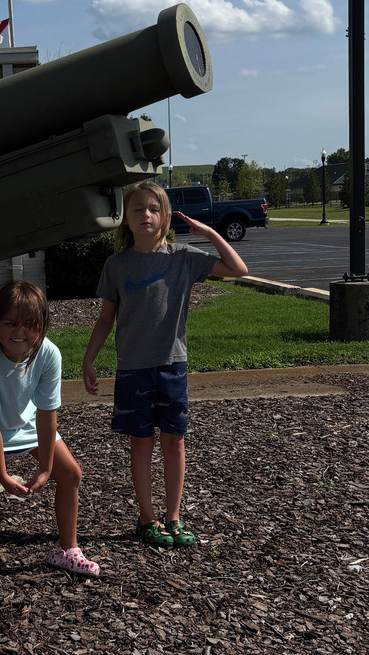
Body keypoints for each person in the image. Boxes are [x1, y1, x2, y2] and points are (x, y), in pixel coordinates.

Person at [81, 181, 248, 548]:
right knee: (141, 444)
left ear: (166, 216)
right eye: (138, 208)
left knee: (174, 443)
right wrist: (89, 359)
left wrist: (208, 232)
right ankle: (146, 517)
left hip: (172, 366)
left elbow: (238, 269)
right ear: (125, 218)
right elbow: (106, 319)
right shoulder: (116, 265)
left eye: (154, 209)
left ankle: (173, 516)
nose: (146, 215)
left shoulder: (183, 257)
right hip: (132, 369)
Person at [0, 280, 99, 612]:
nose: (20, 332)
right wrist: (1, 474)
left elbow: (47, 415)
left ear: (42, 326)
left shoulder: (48, 354)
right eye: (10, 323)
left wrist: (45, 467)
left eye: (30, 324)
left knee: (71, 474)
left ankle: (66, 549)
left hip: (24, 422)